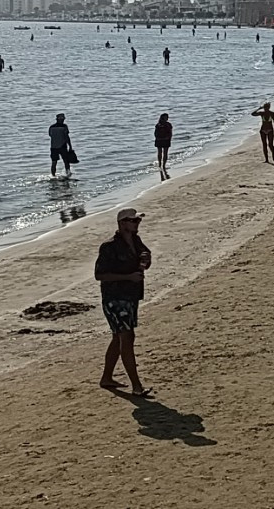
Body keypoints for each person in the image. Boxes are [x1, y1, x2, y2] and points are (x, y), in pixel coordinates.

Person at [95, 208, 153, 397]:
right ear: (122, 223)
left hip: (131, 297)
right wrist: (128, 277)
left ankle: (106, 378)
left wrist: (146, 260)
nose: (136, 224)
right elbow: (100, 275)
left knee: (119, 337)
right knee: (126, 337)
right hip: (115, 298)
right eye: (133, 221)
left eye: (138, 221)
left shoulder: (135, 241)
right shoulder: (109, 247)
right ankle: (136, 386)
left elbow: (145, 261)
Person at [154, 113, 173, 180]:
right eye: (166, 117)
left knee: (161, 152)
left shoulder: (158, 125)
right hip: (164, 140)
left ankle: (161, 165)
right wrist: (169, 139)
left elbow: (155, 134)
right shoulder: (167, 124)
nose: (167, 118)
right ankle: (162, 165)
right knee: (163, 152)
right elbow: (170, 133)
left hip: (160, 140)